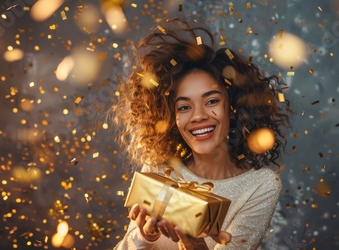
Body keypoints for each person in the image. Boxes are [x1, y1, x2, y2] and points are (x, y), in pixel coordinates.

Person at [111, 18, 291, 250]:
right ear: (171, 117)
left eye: (211, 101)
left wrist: (195, 246)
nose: (198, 116)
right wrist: (145, 237)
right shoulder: (158, 168)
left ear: (233, 106)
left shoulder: (261, 185)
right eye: (184, 107)